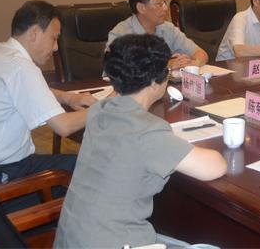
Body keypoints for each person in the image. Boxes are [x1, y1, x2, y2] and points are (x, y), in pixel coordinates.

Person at [54, 34, 226, 249]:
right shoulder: (148, 131)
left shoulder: (100, 110)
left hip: (71, 239)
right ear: (156, 82)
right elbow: (214, 167)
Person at [0, 0, 95, 186]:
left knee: (78, 164)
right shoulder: (21, 67)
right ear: (34, 33)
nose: (56, 47)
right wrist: (104, 107)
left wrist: (68, 97)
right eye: (54, 38)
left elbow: (26, 90)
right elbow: (63, 126)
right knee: (90, 168)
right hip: (0, 174)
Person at [108, 0, 208, 69]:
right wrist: (166, 65)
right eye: (159, 4)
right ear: (141, 8)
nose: (166, 8)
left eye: (164, 2)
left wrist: (193, 63)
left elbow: (200, 53)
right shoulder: (120, 34)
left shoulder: (168, 29)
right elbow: (117, 71)